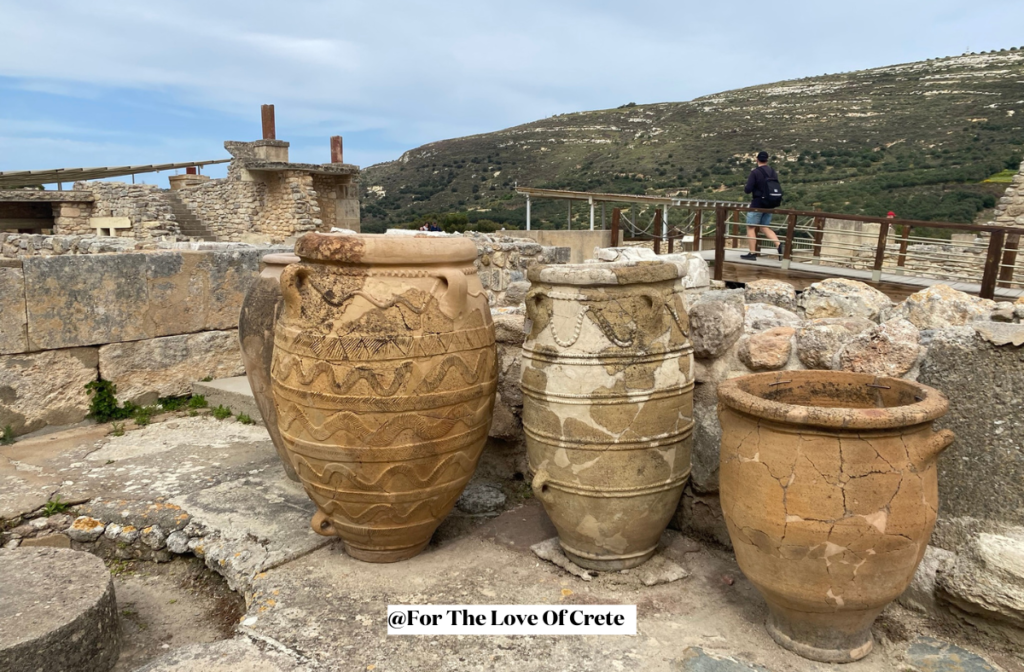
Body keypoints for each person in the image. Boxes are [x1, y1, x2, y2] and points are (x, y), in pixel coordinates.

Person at [741, 151, 783, 260]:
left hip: (757, 204)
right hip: (769, 204)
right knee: (764, 227)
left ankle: (752, 253)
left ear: (757, 160)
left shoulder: (755, 172)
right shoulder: (773, 172)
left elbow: (747, 190)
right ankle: (779, 245)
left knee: (751, 227)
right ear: (767, 160)